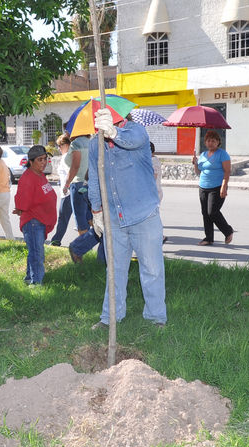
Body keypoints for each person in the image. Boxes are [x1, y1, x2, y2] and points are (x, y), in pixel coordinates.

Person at [88, 108, 167, 329]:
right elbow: (94, 178)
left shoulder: (137, 131)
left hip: (144, 215)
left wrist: (113, 133)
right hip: (114, 219)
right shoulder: (95, 145)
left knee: (152, 270)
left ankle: (156, 317)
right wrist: (96, 211)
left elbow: (131, 141)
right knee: (114, 271)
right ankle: (110, 318)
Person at [13, 145, 57, 286]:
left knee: (34, 252)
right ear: (31, 162)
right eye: (40, 160)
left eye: (45, 159)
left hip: (40, 221)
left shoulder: (40, 174)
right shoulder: (28, 178)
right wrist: (20, 209)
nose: (44, 162)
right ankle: (36, 283)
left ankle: (29, 278)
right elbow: (22, 202)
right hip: (33, 222)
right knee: (37, 254)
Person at [192, 130, 233, 246]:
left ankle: (228, 231)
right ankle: (208, 238)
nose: (210, 143)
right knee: (205, 213)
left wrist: (224, 186)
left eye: (213, 141)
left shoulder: (222, 154)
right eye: (208, 141)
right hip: (203, 186)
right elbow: (198, 172)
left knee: (212, 212)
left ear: (218, 142)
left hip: (217, 187)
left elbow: (227, 171)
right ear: (205, 142)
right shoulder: (203, 155)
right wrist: (195, 163)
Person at [48, 134, 73, 246]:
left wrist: (66, 186)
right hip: (68, 191)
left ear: (66, 145)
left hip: (67, 193)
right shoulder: (69, 155)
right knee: (84, 219)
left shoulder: (66, 157)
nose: (59, 148)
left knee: (63, 218)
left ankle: (56, 240)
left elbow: (70, 173)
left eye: (60, 145)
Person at [65, 133, 91, 236]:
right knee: (89, 217)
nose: (66, 133)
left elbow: (75, 166)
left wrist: (67, 183)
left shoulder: (76, 144)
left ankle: (84, 243)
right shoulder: (91, 142)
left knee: (80, 219)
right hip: (90, 182)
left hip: (78, 183)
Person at [150, 142, 167, 244]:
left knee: (152, 216)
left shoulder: (153, 161)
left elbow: (153, 177)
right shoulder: (153, 159)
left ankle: (160, 235)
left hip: (153, 193)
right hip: (154, 192)